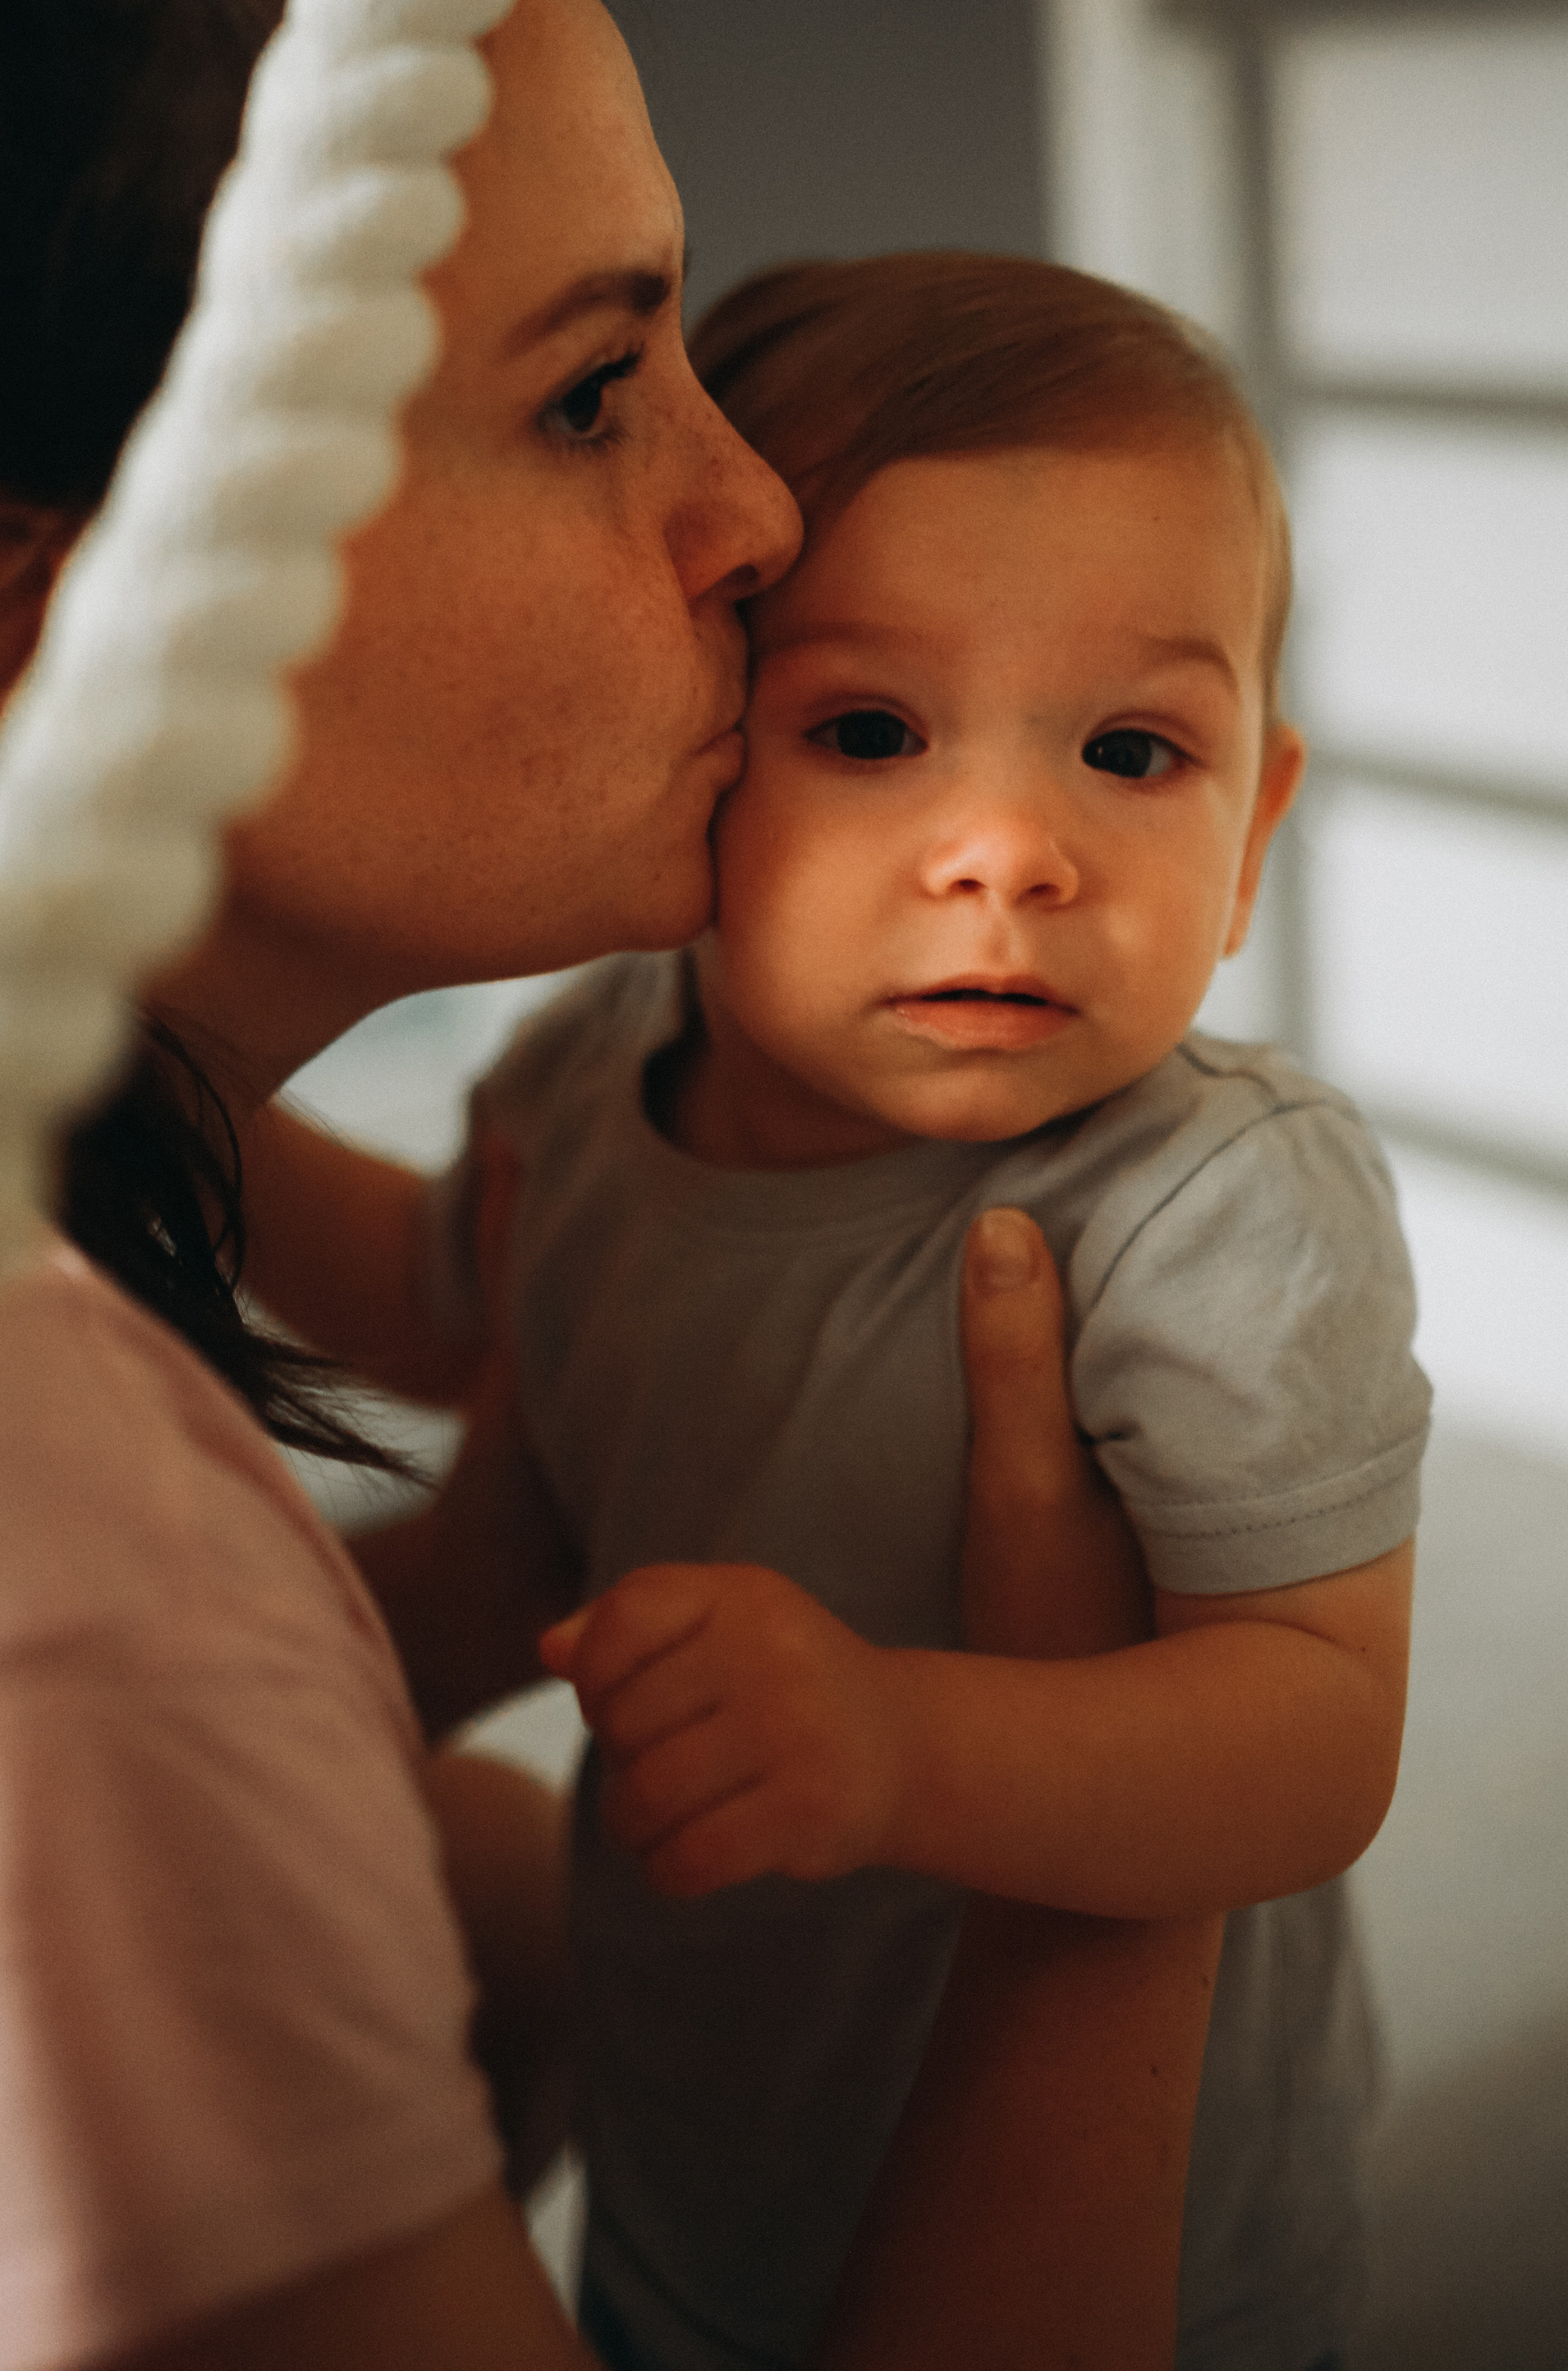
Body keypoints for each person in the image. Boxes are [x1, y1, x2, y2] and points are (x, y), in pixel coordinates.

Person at [0, 0, 1221, 2371]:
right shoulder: (26, 1546)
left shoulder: (61, 1227)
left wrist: (492, 1579)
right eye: (594, 392)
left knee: (497, 1904)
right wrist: (1115, 1812)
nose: (756, 513)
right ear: (48, 635)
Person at [248, 251, 1432, 2371]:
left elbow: (1318, 1734)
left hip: (1144, 2262)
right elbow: (455, 1314)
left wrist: (902, 1746)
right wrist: (137, 1098)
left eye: (1134, 752)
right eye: (872, 731)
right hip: (701, 2158)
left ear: (1253, 823)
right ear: (703, 753)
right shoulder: (615, 1059)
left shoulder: (1213, 1204)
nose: (1010, 849)